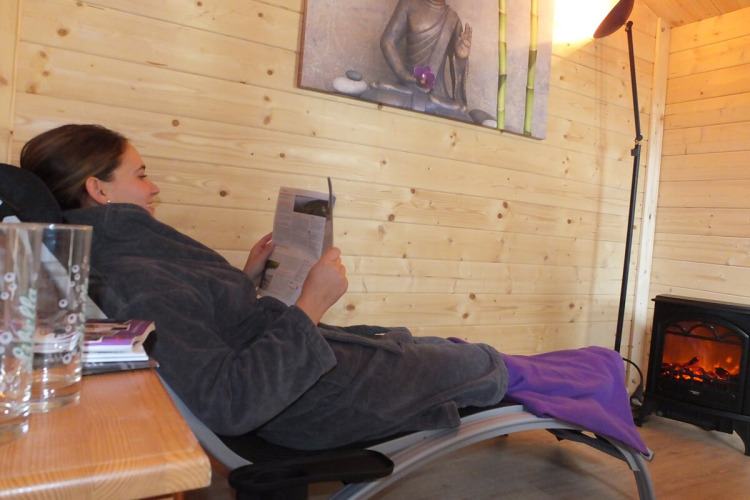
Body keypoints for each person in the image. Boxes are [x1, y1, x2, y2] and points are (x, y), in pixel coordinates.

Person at [20, 124, 509, 450]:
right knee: (479, 363)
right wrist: (311, 303)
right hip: (303, 403)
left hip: (295, 374)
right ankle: (537, 376)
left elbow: (193, 323)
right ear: (98, 189)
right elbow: (229, 398)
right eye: (142, 175)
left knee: (427, 347)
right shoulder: (133, 274)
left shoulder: (120, 254)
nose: (154, 188)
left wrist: (243, 279)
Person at [362, 0, 475, 122]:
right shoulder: (408, 4)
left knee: (463, 119)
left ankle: (429, 106)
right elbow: (388, 41)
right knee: (374, 96)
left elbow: (458, 83)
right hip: (408, 88)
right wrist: (402, 73)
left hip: (438, 98)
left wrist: (461, 58)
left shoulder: (453, 19)